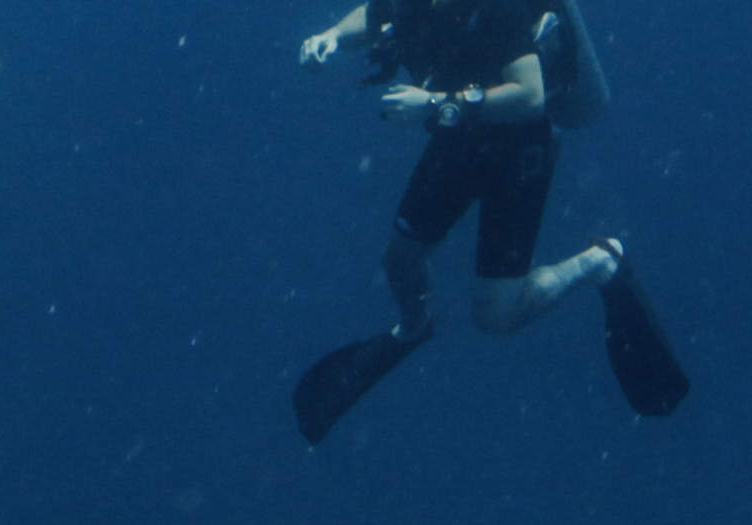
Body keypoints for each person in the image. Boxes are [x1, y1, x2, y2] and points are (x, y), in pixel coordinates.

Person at [286, 0, 686, 443]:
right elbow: (378, 13)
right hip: (458, 137)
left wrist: (438, 102)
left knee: (496, 315)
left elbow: (531, 94)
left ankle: (600, 262)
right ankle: (416, 328)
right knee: (401, 263)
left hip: (519, 149)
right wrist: (333, 37)